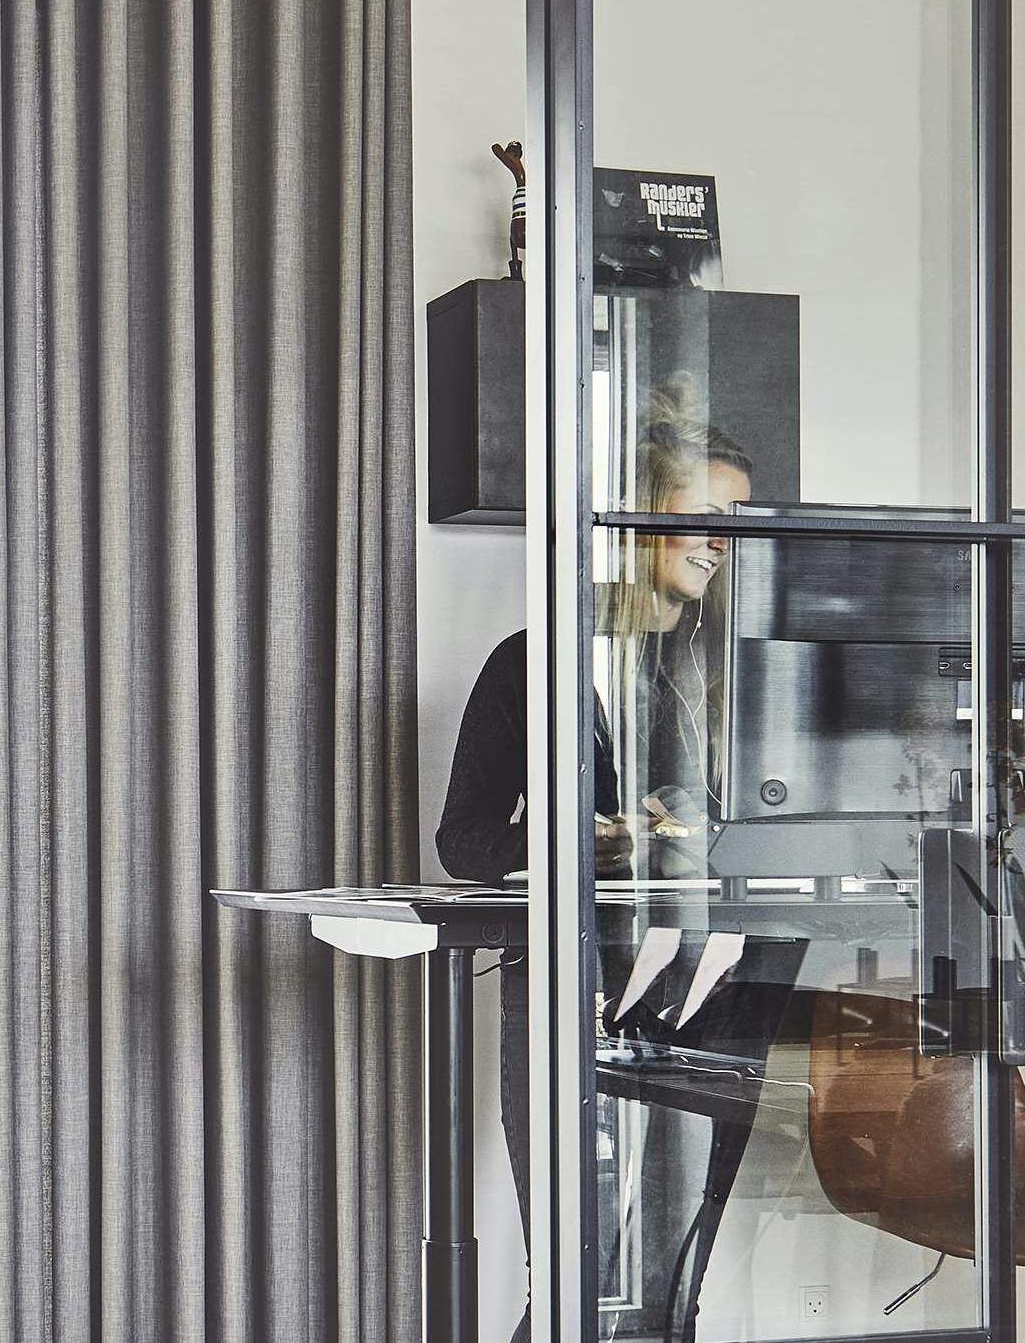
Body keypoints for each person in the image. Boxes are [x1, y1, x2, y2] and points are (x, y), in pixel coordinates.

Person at [437, 384, 752, 1343]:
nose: (717, 541)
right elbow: (466, 844)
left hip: (704, 988)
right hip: (571, 990)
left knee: (673, 1287)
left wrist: (707, 827)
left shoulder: (736, 673)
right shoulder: (532, 663)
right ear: (629, 521)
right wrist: (601, 839)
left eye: (734, 521)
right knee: (580, 1276)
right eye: (698, 517)